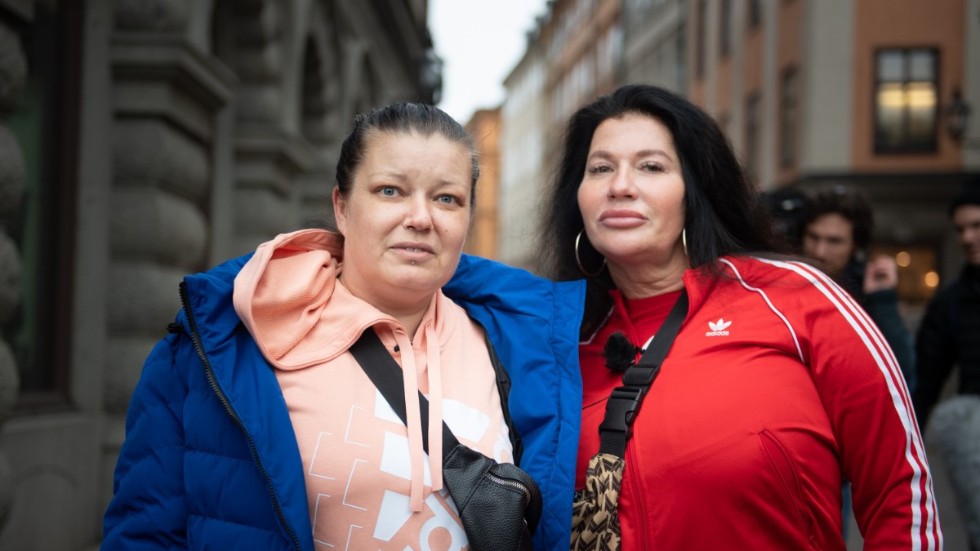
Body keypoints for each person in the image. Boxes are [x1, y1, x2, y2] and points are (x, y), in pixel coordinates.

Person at [445, 84, 940, 549]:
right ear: (577, 198)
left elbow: (899, 487)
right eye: (599, 169)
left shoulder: (796, 299)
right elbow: (428, 262)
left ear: (694, 190)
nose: (620, 186)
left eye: (651, 167)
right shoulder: (559, 337)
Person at [101, 103, 582, 550]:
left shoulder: (515, 345)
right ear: (342, 207)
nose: (420, 218)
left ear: (468, 219)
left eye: (447, 198)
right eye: (389, 190)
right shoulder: (222, 344)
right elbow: (146, 532)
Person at [913, 180, 980, 551]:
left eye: (977, 226)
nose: (968, 237)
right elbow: (925, 382)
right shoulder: (952, 303)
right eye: (961, 229)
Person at [801, 185, 915, 388]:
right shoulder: (787, 282)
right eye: (813, 237)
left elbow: (902, 373)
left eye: (834, 241)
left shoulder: (869, 290)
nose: (820, 250)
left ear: (855, 245)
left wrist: (883, 300)